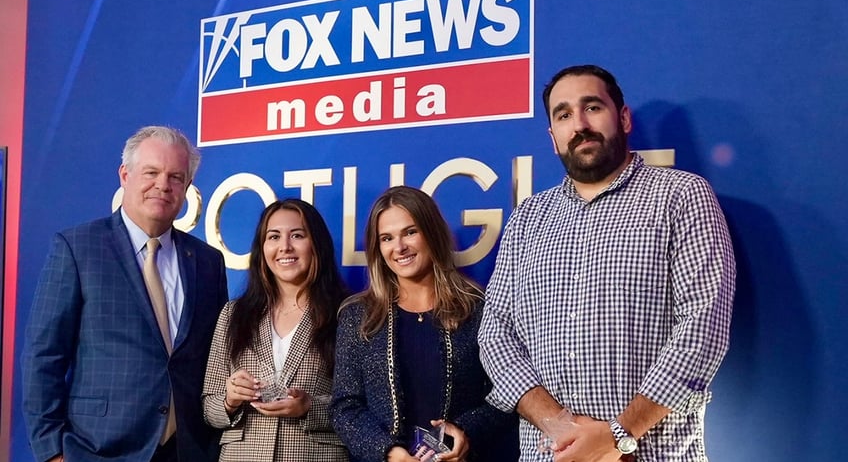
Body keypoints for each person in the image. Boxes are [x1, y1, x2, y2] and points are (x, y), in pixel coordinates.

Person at [478, 64, 736, 462]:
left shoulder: (681, 196)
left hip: (653, 455)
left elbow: (703, 329)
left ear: (624, 117)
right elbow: (495, 335)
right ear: (553, 137)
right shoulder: (528, 219)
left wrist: (618, 436)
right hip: (550, 453)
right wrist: (562, 429)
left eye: (592, 107)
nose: (579, 124)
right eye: (563, 115)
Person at [21, 126, 229, 461]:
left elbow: (216, 360)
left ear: (187, 187)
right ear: (125, 175)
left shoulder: (208, 262)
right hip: (97, 449)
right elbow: (43, 356)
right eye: (151, 172)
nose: (163, 185)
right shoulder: (77, 248)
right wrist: (51, 451)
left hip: (187, 451)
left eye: (176, 176)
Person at [330, 186, 519, 462]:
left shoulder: (476, 309)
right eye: (386, 238)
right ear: (377, 248)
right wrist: (389, 453)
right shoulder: (359, 315)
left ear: (431, 233)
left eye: (410, 232)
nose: (399, 247)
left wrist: (465, 433)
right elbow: (345, 406)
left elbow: (504, 397)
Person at [202, 199, 349, 461]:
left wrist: (309, 406)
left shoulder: (346, 314)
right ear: (262, 248)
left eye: (297, 235)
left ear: (317, 244)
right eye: (274, 237)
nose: (285, 247)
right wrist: (230, 400)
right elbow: (209, 409)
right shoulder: (233, 314)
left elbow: (360, 407)